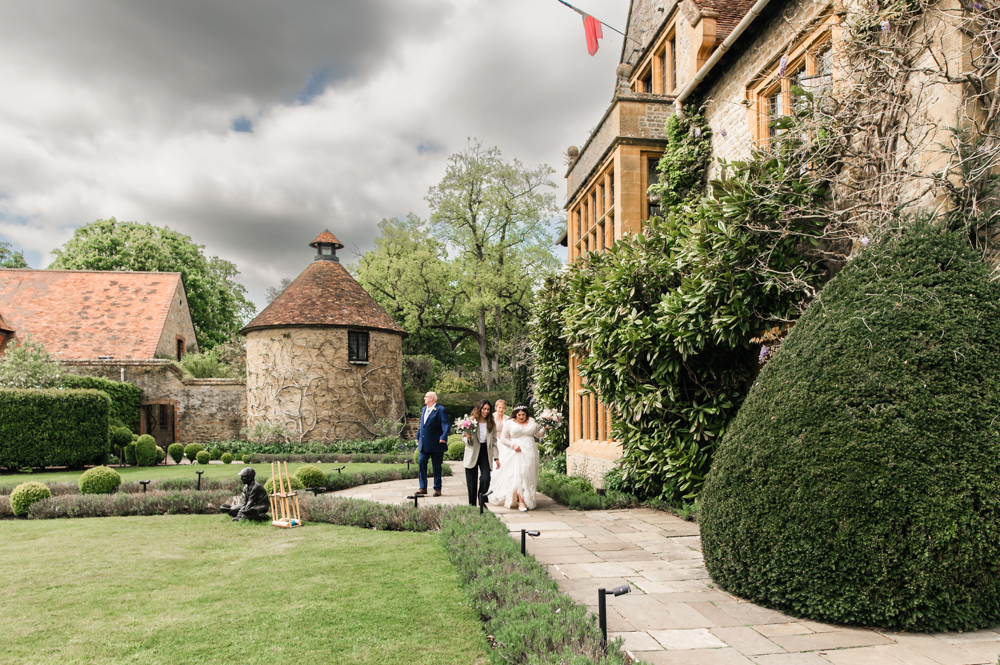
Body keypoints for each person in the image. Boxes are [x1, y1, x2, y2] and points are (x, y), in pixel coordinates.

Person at [489, 404, 542, 511]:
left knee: (528, 475)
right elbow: (503, 438)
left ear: (526, 414)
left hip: (530, 452)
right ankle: (521, 502)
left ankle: (526, 498)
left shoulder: (532, 421)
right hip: (517, 452)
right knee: (519, 475)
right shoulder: (509, 423)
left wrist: (546, 428)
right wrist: (513, 445)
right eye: (519, 415)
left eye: (523, 415)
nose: (521, 417)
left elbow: (538, 435)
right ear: (515, 414)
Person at [463, 399, 500, 506]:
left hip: (485, 452)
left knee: (486, 478)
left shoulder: (491, 424)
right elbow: (464, 438)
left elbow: (494, 442)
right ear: (479, 409)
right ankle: (472, 505)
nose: (486, 411)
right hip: (472, 452)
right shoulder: (470, 422)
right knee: (472, 482)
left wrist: (496, 458)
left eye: (488, 409)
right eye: (484, 409)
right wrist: (468, 438)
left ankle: (482, 500)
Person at [415, 391, 450, 496]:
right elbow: (423, 424)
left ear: (432, 399)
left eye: (426, 396)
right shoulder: (424, 409)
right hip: (424, 443)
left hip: (436, 444)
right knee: (421, 464)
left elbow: (446, 424)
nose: (424, 398)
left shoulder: (440, 410)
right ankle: (423, 487)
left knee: (437, 467)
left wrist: (444, 436)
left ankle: (437, 488)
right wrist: (418, 435)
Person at [494, 399, 512, 468]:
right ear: (496, 408)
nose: (501, 410)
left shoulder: (507, 419)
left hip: (505, 443)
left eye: (503, 408)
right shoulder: (491, 418)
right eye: (499, 407)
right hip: (495, 443)